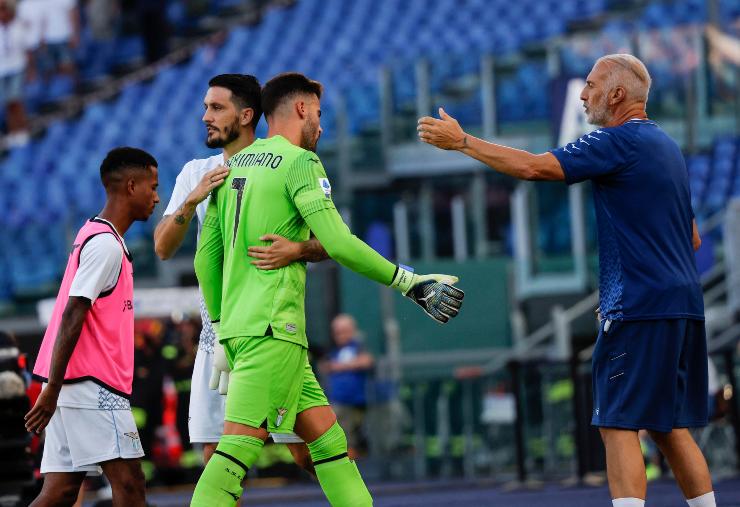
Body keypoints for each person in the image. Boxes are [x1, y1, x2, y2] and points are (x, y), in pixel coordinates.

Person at [418, 53, 713, 507]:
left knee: (617, 423)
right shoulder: (667, 147)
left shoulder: (618, 140)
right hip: (684, 302)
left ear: (617, 95)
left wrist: (463, 142)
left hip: (640, 305)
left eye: (592, 85)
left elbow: (534, 168)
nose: (583, 94)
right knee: (669, 425)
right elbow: (691, 237)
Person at [191, 72, 464, 506]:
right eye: (318, 113)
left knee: (328, 442)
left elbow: (205, 260)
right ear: (301, 109)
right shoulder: (300, 162)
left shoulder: (233, 165)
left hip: (246, 331)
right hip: (273, 331)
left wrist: (224, 325)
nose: (320, 124)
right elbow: (338, 243)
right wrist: (409, 281)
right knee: (236, 448)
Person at [153, 74, 327, 475]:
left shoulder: (285, 161)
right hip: (216, 338)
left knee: (309, 450)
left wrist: (298, 249)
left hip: (271, 331)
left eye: (216, 108)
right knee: (217, 459)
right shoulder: (197, 172)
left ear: (247, 115)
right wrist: (192, 201)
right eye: (205, 107)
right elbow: (163, 248)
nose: (205, 117)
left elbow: (329, 241)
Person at [25, 147, 160, 507]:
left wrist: (54, 388)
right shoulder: (106, 245)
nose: (156, 197)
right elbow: (73, 313)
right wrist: (52, 389)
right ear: (131, 186)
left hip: (67, 385)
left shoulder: (91, 233)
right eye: (152, 187)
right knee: (130, 484)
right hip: (91, 386)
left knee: (60, 492)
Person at [325, 314, 373, 460]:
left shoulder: (359, 346)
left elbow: (367, 361)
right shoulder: (333, 350)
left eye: (344, 331)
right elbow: (325, 366)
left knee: (350, 438)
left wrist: (339, 366)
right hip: (335, 403)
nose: (340, 335)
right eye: (337, 332)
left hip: (354, 403)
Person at [0, 0, 31, 146]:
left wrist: (31, 69)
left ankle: (22, 131)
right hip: (2, 71)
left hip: (17, 68)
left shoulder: (19, 26)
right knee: (8, 104)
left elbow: (28, 49)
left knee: (16, 101)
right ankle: (13, 132)